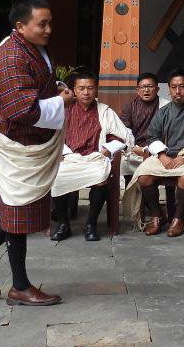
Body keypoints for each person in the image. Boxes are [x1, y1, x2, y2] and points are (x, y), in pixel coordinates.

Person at [0, 0, 71, 307]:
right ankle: (19, 286)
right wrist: (62, 102)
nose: (49, 29)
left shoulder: (30, 47)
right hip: (18, 146)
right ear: (20, 26)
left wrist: (56, 90)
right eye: (42, 24)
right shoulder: (11, 58)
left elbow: (35, 88)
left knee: (16, 212)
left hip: (29, 143)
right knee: (17, 211)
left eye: (50, 23)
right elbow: (22, 109)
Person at [121, 70, 184, 237]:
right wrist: (162, 156)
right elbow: (152, 136)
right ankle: (158, 215)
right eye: (173, 87)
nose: (177, 91)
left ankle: (178, 219)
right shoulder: (164, 111)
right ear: (169, 90)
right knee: (143, 176)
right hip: (166, 156)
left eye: (182, 86)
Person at [47, 70, 131, 242]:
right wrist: (60, 151)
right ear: (74, 90)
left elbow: (124, 136)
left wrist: (109, 148)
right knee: (57, 177)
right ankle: (63, 224)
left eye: (90, 88)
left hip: (95, 158)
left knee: (101, 177)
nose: (86, 92)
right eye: (81, 88)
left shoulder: (104, 111)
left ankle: (91, 223)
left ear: (96, 89)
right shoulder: (64, 109)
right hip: (69, 158)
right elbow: (51, 136)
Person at [120, 73, 162, 150]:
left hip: (158, 148)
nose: (146, 90)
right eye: (142, 87)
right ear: (138, 90)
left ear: (157, 89)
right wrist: (132, 147)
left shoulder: (165, 106)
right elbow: (123, 130)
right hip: (134, 148)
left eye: (150, 86)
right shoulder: (130, 107)